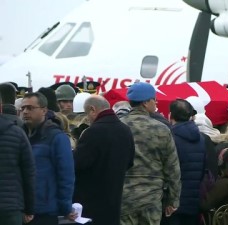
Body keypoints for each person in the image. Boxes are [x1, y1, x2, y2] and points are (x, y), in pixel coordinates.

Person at [120, 82, 181, 225]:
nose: (156, 102)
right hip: (151, 198)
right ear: (146, 103)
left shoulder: (119, 126)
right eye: (154, 99)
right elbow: (172, 168)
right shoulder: (161, 129)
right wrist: (173, 200)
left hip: (124, 197)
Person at [73, 96, 135, 225]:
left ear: (92, 109)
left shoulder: (92, 132)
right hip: (115, 197)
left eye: (86, 114)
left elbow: (79, 163)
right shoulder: (125, 130)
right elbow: (130, 162)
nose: (88, 118)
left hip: (91, 201)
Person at [21, 92, 76, 225]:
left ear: (44, 110)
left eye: (30, 108)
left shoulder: (56, 137)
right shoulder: (20, 135)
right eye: (23, 108)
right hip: (21, 208)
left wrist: (66, 206)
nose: (25, 112)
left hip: (45, 209)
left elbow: (66, 175)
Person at [164, 99, 206, 225]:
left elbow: (168, 172)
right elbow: (203, 169)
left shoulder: (170, 137)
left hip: (172, 204)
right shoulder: (201, 138)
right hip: (193, 200)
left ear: (170, 115)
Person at [0, 92, 35, 225]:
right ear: (1, 107)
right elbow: (29, 172)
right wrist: (29, 208)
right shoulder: (17, 132)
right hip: (11, 206)